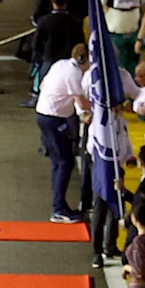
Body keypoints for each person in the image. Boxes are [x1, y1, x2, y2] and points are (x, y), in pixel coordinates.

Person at [35, 44, 93, 224]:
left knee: (57, 161)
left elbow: (43, 84)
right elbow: (82, 103)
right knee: (65, 162)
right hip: (54, 119)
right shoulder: (74, 74)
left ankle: (58, 204)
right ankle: (59, 208)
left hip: (44, 114)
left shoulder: (61, 64)